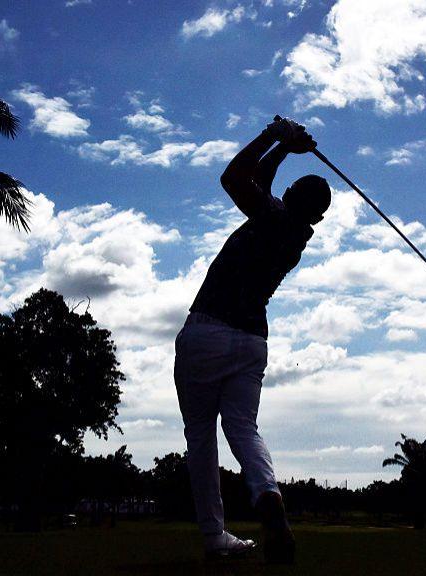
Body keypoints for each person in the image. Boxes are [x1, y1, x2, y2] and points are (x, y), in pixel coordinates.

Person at [173, 117, 330, 563]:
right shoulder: (296, 233)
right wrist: (285, 148)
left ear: (292, 201)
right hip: (252, 342)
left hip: (207, 332)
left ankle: (214, 536)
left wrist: (272, 136)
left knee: (201, 436)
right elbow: (259, 182)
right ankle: (268, 494)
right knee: (243, 427)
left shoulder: (273, 216)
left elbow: (235, 178)